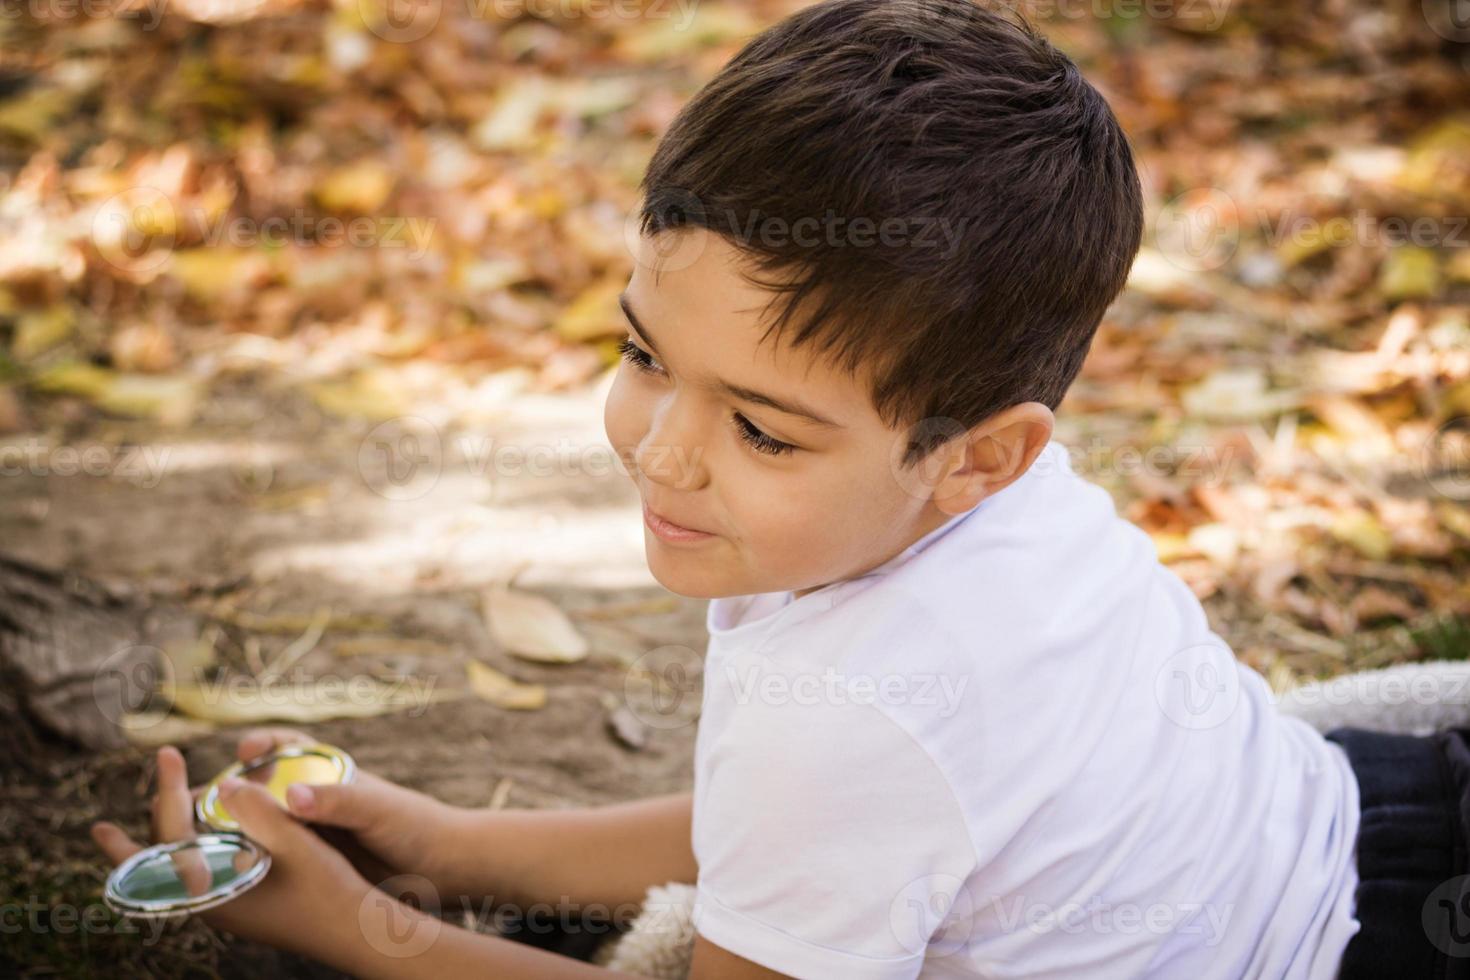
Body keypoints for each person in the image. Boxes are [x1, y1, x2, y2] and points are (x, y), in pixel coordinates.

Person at [92, 0, 1436, 976]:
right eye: (642, 355)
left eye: (765, 433)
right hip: (1377, 822)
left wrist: (352, 930)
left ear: (976, 454)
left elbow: (839, 792)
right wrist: (450, 846)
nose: (665, 450)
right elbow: (818, 825)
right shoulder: (978, 507)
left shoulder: (857, 718)